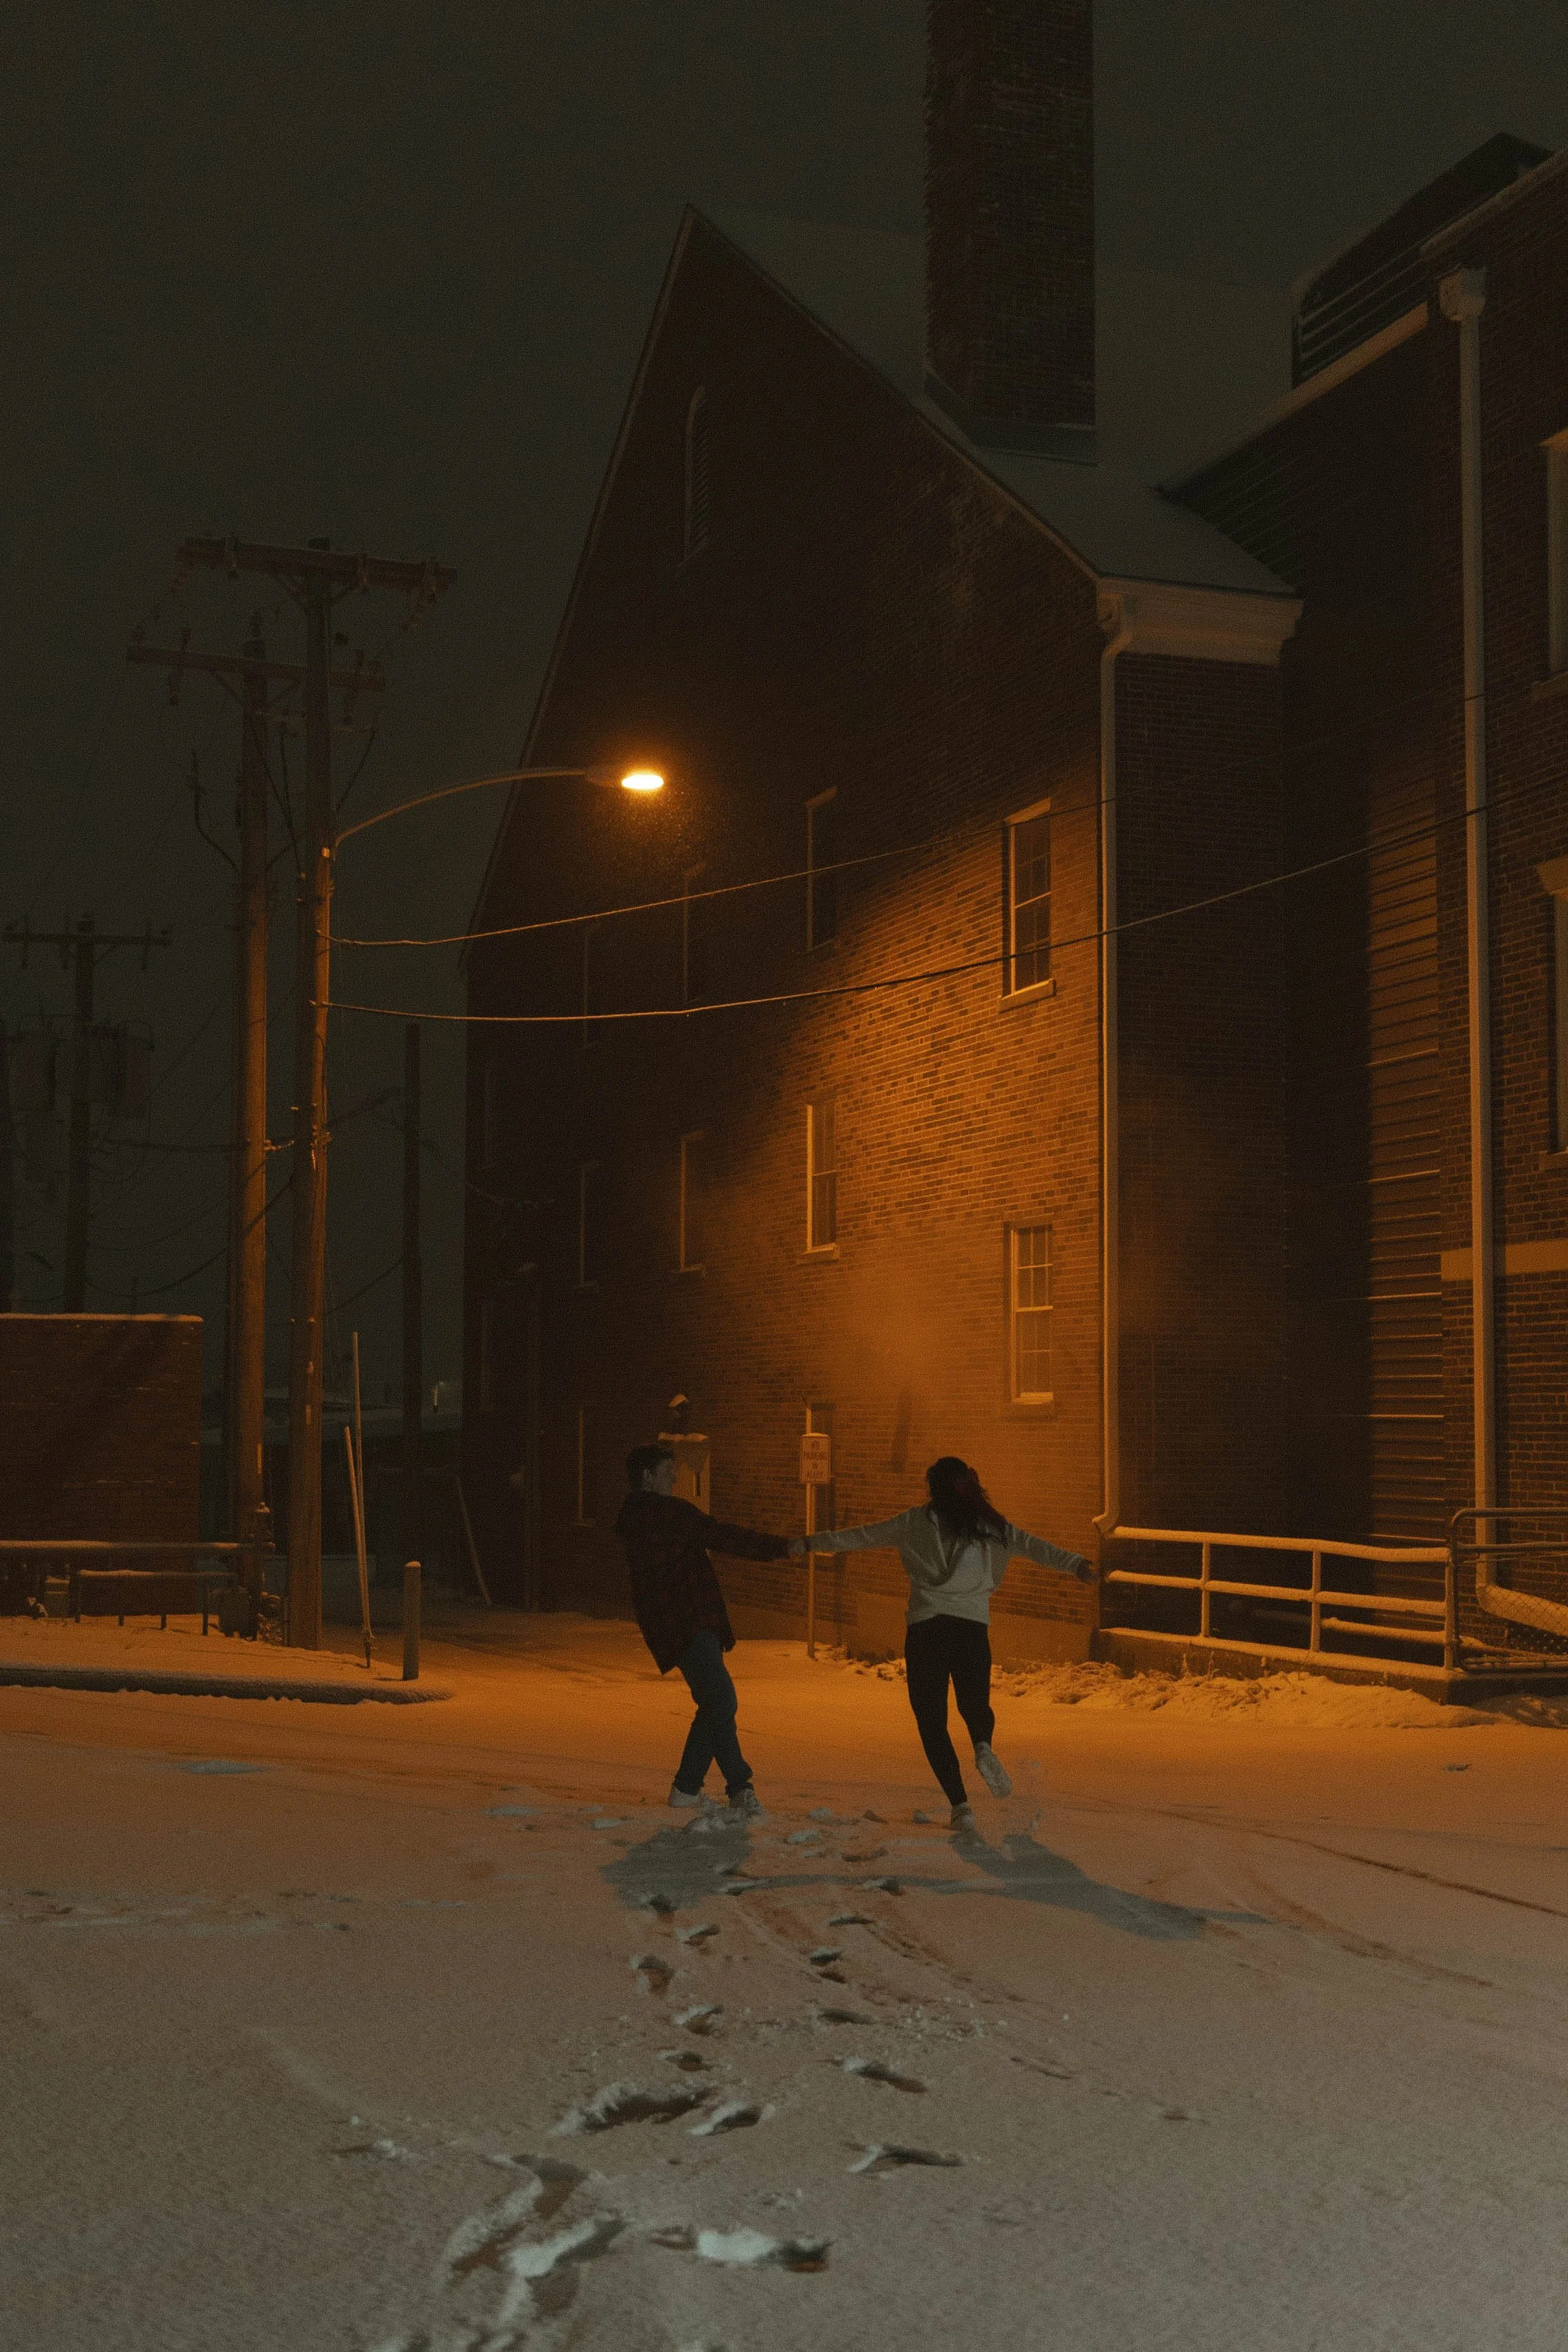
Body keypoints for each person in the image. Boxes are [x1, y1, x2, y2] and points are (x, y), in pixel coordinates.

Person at [795, 1456, 1091, 1832]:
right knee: (974, 1704)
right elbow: (1038, 1548)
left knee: (932, 1721)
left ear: (932, 1490)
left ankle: (961, 1807)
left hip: (927, 1631)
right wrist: (1078, 1565)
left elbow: (860, 1536)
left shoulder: (912, 1524)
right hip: (971, 1630)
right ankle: (982, 1745)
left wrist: (807, 1544)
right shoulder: (992, 1527)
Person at [614, 1443, 792, 1818]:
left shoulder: (635, 1518)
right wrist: (780, 1547)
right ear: (647, 1477)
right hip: (690, 1619)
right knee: (720, 1701)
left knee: (715, 1702)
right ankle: (688, 1786)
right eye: (667, 1472)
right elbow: (723, 1536)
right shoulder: (668, 1514)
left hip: (669, 1624)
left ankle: (738, 1788)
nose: (675, 1478)